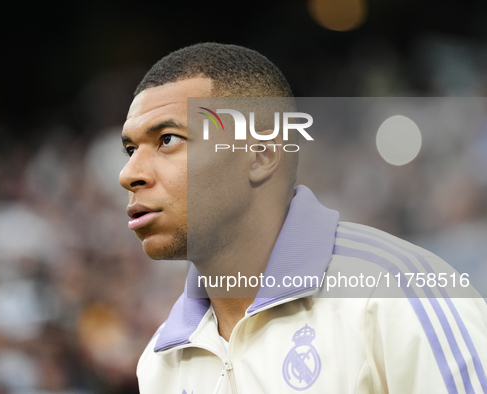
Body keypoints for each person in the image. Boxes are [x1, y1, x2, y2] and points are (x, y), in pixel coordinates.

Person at [119, 43, 487, 393]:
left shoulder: (400, 292)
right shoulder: (159, 362)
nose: (128, 174)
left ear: (260, 155)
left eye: (168, 139)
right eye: (131, 149)